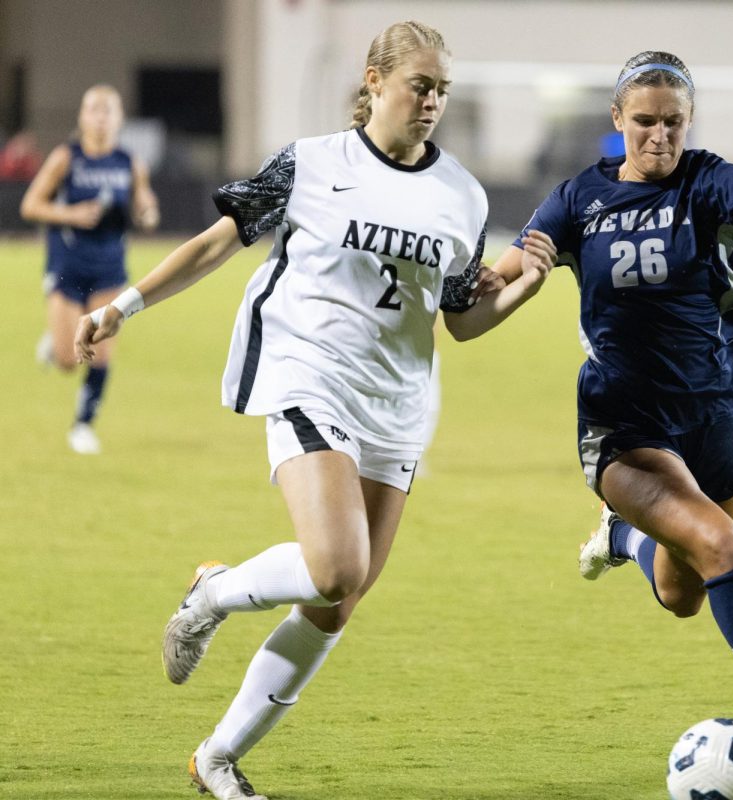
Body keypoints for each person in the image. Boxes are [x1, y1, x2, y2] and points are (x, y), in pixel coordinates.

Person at [75, 21, 554, 800]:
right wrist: (124, 306)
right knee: (338, 566)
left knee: (336, 604)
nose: (432, 102)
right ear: (374, 81)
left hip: (396, 404)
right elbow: (215, 242)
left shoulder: (462, 195)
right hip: (308, 375)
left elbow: (459, 319)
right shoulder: (311, 164)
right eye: (418, 85)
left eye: (442, 90)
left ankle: (217, 759)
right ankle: (215, 593)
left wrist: (523, 291)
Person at [489, 51, 733, 776]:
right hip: (627, 427)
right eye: (644, 121)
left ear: (688, 121)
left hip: (715, 416)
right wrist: (476, 281)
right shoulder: (577, 201)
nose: (659, 135)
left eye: (672, 121)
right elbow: (500, 277)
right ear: (617, 121)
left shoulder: (713, 181)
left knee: (681, 591)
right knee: (723, 546)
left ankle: (622, 541)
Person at [20, 85, 159, 453]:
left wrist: (147, 212)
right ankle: (57, 340)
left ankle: (83, 425)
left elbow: (146, 206)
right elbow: (30, 205)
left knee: (100, 350)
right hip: (67, 266)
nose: (100, 116)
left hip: (109, 268)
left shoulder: (130, 163)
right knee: (68, 361)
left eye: (107, 109)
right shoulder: (67, 158)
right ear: (82, 117)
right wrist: (70, 214)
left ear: (119, 118)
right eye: (93, 109)